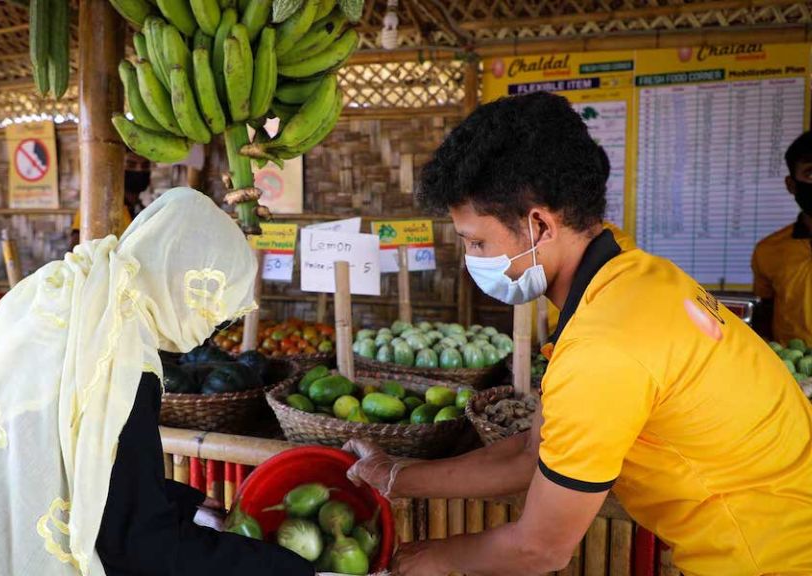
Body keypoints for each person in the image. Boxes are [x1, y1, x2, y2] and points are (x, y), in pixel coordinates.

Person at [346, 92, 812, 576]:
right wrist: (397, 476)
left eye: (477, 241)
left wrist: (434, 557)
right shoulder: (631, 272)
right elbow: (535, 453)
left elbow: (540, 550)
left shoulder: (603, 346)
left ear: (539, 225)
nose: (473, 258)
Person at [0, 188, 316, 576]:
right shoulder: (119, 362)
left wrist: (179, 500)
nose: (213, 322)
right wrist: (291, 569)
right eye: (214, 301)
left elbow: (79, 467)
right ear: (188, 281)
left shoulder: (64, 292)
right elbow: (140, 545)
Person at [751, 130, 812, 344]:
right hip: (792, 371)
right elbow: (764, 316)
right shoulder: (768, 250)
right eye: (811, 174)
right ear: (791, 185)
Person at [70, 169, 150, 250]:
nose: (139, 169)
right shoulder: (98, 204)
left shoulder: (142, 209)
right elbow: (76, 242)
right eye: (132, 164)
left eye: (145, 166)